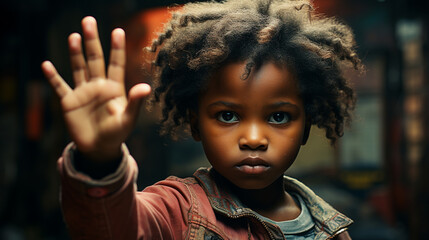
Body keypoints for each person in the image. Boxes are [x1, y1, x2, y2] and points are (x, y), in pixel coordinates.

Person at [41, 0, 362, 239]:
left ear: (306, 126)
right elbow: (114, 230)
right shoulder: (177, 210)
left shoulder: (331, 229)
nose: (253, 138)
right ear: (195, 123)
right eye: (227, 115)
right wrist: (99, 161)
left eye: (278, 116)